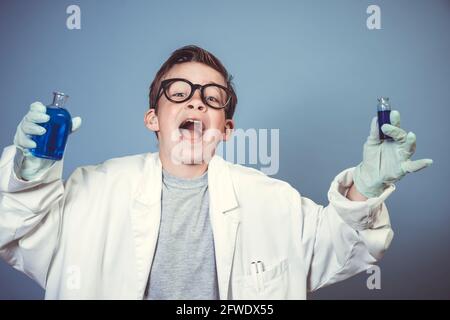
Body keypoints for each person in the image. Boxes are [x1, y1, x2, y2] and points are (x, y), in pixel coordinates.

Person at [0, 45, 433, 299]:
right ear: (153, 118)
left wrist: (366, 185)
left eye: (212, 97)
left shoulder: (272, 200)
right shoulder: (90, 192)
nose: (196, 102)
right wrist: (28, 176)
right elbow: (14, 233)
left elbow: (342, 247)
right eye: (180, 92)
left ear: (226, 128)